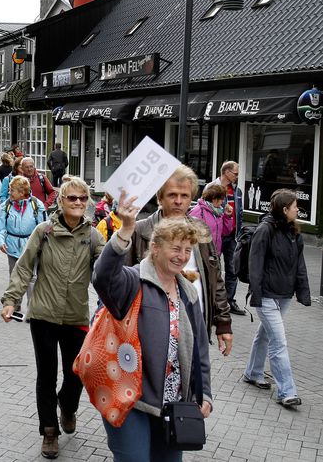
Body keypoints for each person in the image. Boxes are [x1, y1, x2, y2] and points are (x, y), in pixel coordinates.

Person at [93, 197, 213, 462]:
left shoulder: (188, 292)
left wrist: (205, 394)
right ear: (155, 247)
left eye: (187, 250)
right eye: (175, 248)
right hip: (130, 400)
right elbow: (102, 277)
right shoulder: (133, 280)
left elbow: (200, 352)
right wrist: (125, 231)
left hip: (174, 404)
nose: (182, 256)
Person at [0, 177, 105, 459]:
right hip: (44, 315)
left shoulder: (93, 236)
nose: (78, 203)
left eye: (83, 199)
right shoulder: (43, 231)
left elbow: (106, 271)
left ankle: (67, 406)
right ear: (61, 201)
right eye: (72, 198)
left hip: (76, 315)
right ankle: (49, 431)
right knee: (46, 374)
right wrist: (12, 300)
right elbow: (23, 269)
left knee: (77, 373)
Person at [125, 165, 233, 356]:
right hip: (151, 331)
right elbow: (119, 282)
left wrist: (223, 323)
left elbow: (215, 278)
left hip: (195, 324)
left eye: (184, 196)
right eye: (172, 195)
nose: (178, 201)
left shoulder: (200, 231)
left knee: (196, 383)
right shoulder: (140, 231)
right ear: (160, 197)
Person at [244, 189, 310, 407]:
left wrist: (303, 291)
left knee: (265, 334)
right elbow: (255, 263)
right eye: (294, 206)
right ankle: (287, 391)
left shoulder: (294, 232)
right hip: (267, 296)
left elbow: (299, 265)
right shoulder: (265, 229)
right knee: (279, 342)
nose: (297, 209)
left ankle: (252, 373)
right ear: (284, 209)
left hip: (284, 296)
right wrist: (257, 293)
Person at [205, 161, 246, 315]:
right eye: (235, 173)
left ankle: (229, 301)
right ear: (227, 172)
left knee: (232, 269)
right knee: (213, 268)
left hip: (233, 235)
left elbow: (239, 212)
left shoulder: (237, 191)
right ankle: (213, 301)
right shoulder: (211, 187)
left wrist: (239, 232)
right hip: (217, 235)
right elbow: (206, 209)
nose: (237, 176)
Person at [189, 184, 234, 256]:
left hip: (215, 255)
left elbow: (225, 232)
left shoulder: (219, 212)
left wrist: (227, 216)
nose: (222, 202)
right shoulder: (198, 211)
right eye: (221, 199)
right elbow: (190, 235)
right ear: (214, 199)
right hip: (202, 255)